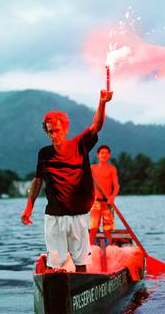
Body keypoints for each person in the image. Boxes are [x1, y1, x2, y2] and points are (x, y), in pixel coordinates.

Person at [21, 89, 113, 272]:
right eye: (50, 132)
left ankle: (82, 294)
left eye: (57, 131)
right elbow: (38, 181)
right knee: (54, 266)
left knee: (81, 264)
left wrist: (102, 102)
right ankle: (56, 293)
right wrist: (28, 209)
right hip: (54, 217)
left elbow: (96, 125)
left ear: (65, 129)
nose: (54, 136)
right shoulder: (44, 154)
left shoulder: (79, 144)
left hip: (78, 215)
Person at [89, 145, 120, 246]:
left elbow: (116, 186)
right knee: (93, 228)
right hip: (95, 202)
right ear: (98, 155)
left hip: (108, 203)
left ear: (109, 155)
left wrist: (112, 197)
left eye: (106, 153)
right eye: (102, 153)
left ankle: (110, 248)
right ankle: (90, 249)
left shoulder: (112, 169)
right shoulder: (92, 168)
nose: (104, 155)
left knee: (108, 229)